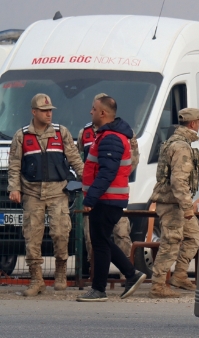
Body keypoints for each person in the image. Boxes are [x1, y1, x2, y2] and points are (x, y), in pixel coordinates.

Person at [7, 93, 85, 296]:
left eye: (50, 110)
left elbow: (75, 159)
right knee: (32, 236)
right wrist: (14, 188)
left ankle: (61, 272)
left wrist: (87, 180)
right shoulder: (22, 136)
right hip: (32, 193)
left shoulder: (61, 133)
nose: (49, 114)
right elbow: (14, 165)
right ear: (34, 112)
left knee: (61, 233)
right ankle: (36, 279)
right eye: (44, 111)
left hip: (58, 191)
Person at [77, 96, 146, 302]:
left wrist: (90, 199)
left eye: (93, 109)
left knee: (100, 242)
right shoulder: (109, 135)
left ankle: (99, 289)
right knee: (103, 241)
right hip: (108, 199)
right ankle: (131, 274)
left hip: (106, 200)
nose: (91, 112)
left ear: (103, 113)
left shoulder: (111, 138)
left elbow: (107, 173)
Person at [148, 108, 199, 298]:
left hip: (176, 203)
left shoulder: (176, 142)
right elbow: (178, 181)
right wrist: (188, 208)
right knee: (171, 242)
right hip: (172, 204)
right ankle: (157, 285)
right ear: (193, 123)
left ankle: (179, 274)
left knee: (194, 235)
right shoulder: (181, 147)